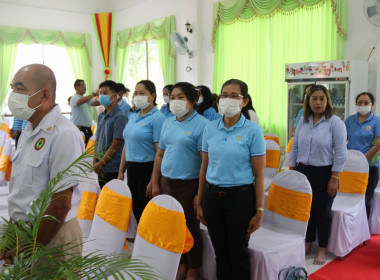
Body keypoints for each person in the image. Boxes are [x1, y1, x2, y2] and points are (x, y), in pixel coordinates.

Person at [2, 64, 84, 264]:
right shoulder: (29, 129)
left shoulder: (64, 134)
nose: (13, 95)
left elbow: (60, 204)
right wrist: (12, 236)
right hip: (25, 233)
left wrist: (30, 245)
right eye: (12, 88)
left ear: (44, 95)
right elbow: (22, 190)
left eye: (20, 89)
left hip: (53, 235)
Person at [197, 79, 265, 280]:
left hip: (240, 198)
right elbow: (204, 167)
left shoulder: (252, 130)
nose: (228, 99)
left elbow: (260, 175)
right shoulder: (210, 128)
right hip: (212, 197)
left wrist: (259, 211)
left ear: (244, 102)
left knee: (238, 252)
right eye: (224, 94)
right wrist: (200, 201)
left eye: (234, 95)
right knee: (220, 252)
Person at [150, 82, 208, 280]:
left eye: (180, 97)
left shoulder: (202, 125)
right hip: (167, 181)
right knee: (171, 226)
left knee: (190, 228)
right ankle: (180, 263)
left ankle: (194, 268)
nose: (175, 101)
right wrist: (155, 181)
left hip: (189, 184)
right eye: (172, 97)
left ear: (192, 100)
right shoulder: (168, 122)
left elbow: (205, 162)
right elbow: (159, 155)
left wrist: (200, 192)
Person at [289, 84, 347, 265]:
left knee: (322, 212)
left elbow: (340, 152)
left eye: (322, 98)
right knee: (306, 211)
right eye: (314, 98)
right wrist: (292, 170)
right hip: (303, 171)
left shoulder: (335, 122)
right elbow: (295, 146)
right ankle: (307, 243)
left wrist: (334, 178)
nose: (318, 102)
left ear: (327, 101)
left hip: (325, 173)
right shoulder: (303, 120)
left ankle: (321, 249)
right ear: (309, 101)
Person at [118, 80, 165, 223]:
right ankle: (141, 241)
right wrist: (121, 171)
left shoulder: (158, 118)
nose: (137, 96)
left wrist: (154, 180)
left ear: (152, 96)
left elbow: (160, 152)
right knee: (137, 208)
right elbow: (127, 144)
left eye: (142, 93)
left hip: (148, 167)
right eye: (136, 93)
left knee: (148, 210)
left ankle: (150, 242)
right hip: (132, 169)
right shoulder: (133, 117)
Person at [345, 92, 380, 218]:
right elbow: (342, 140)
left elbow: (378, 145)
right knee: (349, 197)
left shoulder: (377, 121)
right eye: (360, 103)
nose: (362, 105)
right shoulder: (349, 120)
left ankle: (363, 230)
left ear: (372, 105)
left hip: (370, 165)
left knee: (366, 198)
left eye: (366, 103)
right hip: (350, 167)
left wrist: (362, 161)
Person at [94, 80, 128, 189]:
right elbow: (97, 139)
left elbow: (116, 144)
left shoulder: (120, 117)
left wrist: (100, 163)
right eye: (100, 93)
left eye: (105, 93)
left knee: (112, 201)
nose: (101, 96)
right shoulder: (101, 116)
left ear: (113, 95)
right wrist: (95, 159)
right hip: (101, 166)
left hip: (112, 168)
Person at [70, 79, 99, 145]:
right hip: (80, 129)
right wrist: (93, 94)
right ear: (77, 87)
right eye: (83, 85)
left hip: (87, 129)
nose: (85, 87)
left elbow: (95, 103)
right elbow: (80, 101)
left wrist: (104, 99)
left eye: (85, 85)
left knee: (89, 148)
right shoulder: (75, 98)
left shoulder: (85, 99)